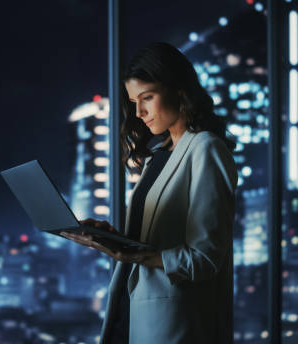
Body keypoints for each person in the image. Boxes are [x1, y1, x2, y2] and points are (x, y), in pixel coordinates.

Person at [61, 42, 238, 344]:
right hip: (132, 310)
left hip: (176, 324)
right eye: (133, 102)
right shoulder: (157, 157)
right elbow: (157, 241)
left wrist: (135, 254)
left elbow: (206, 259)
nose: (139, 112)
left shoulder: (206, 149)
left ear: (179, 90)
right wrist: (115, 239)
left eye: (148, 98)